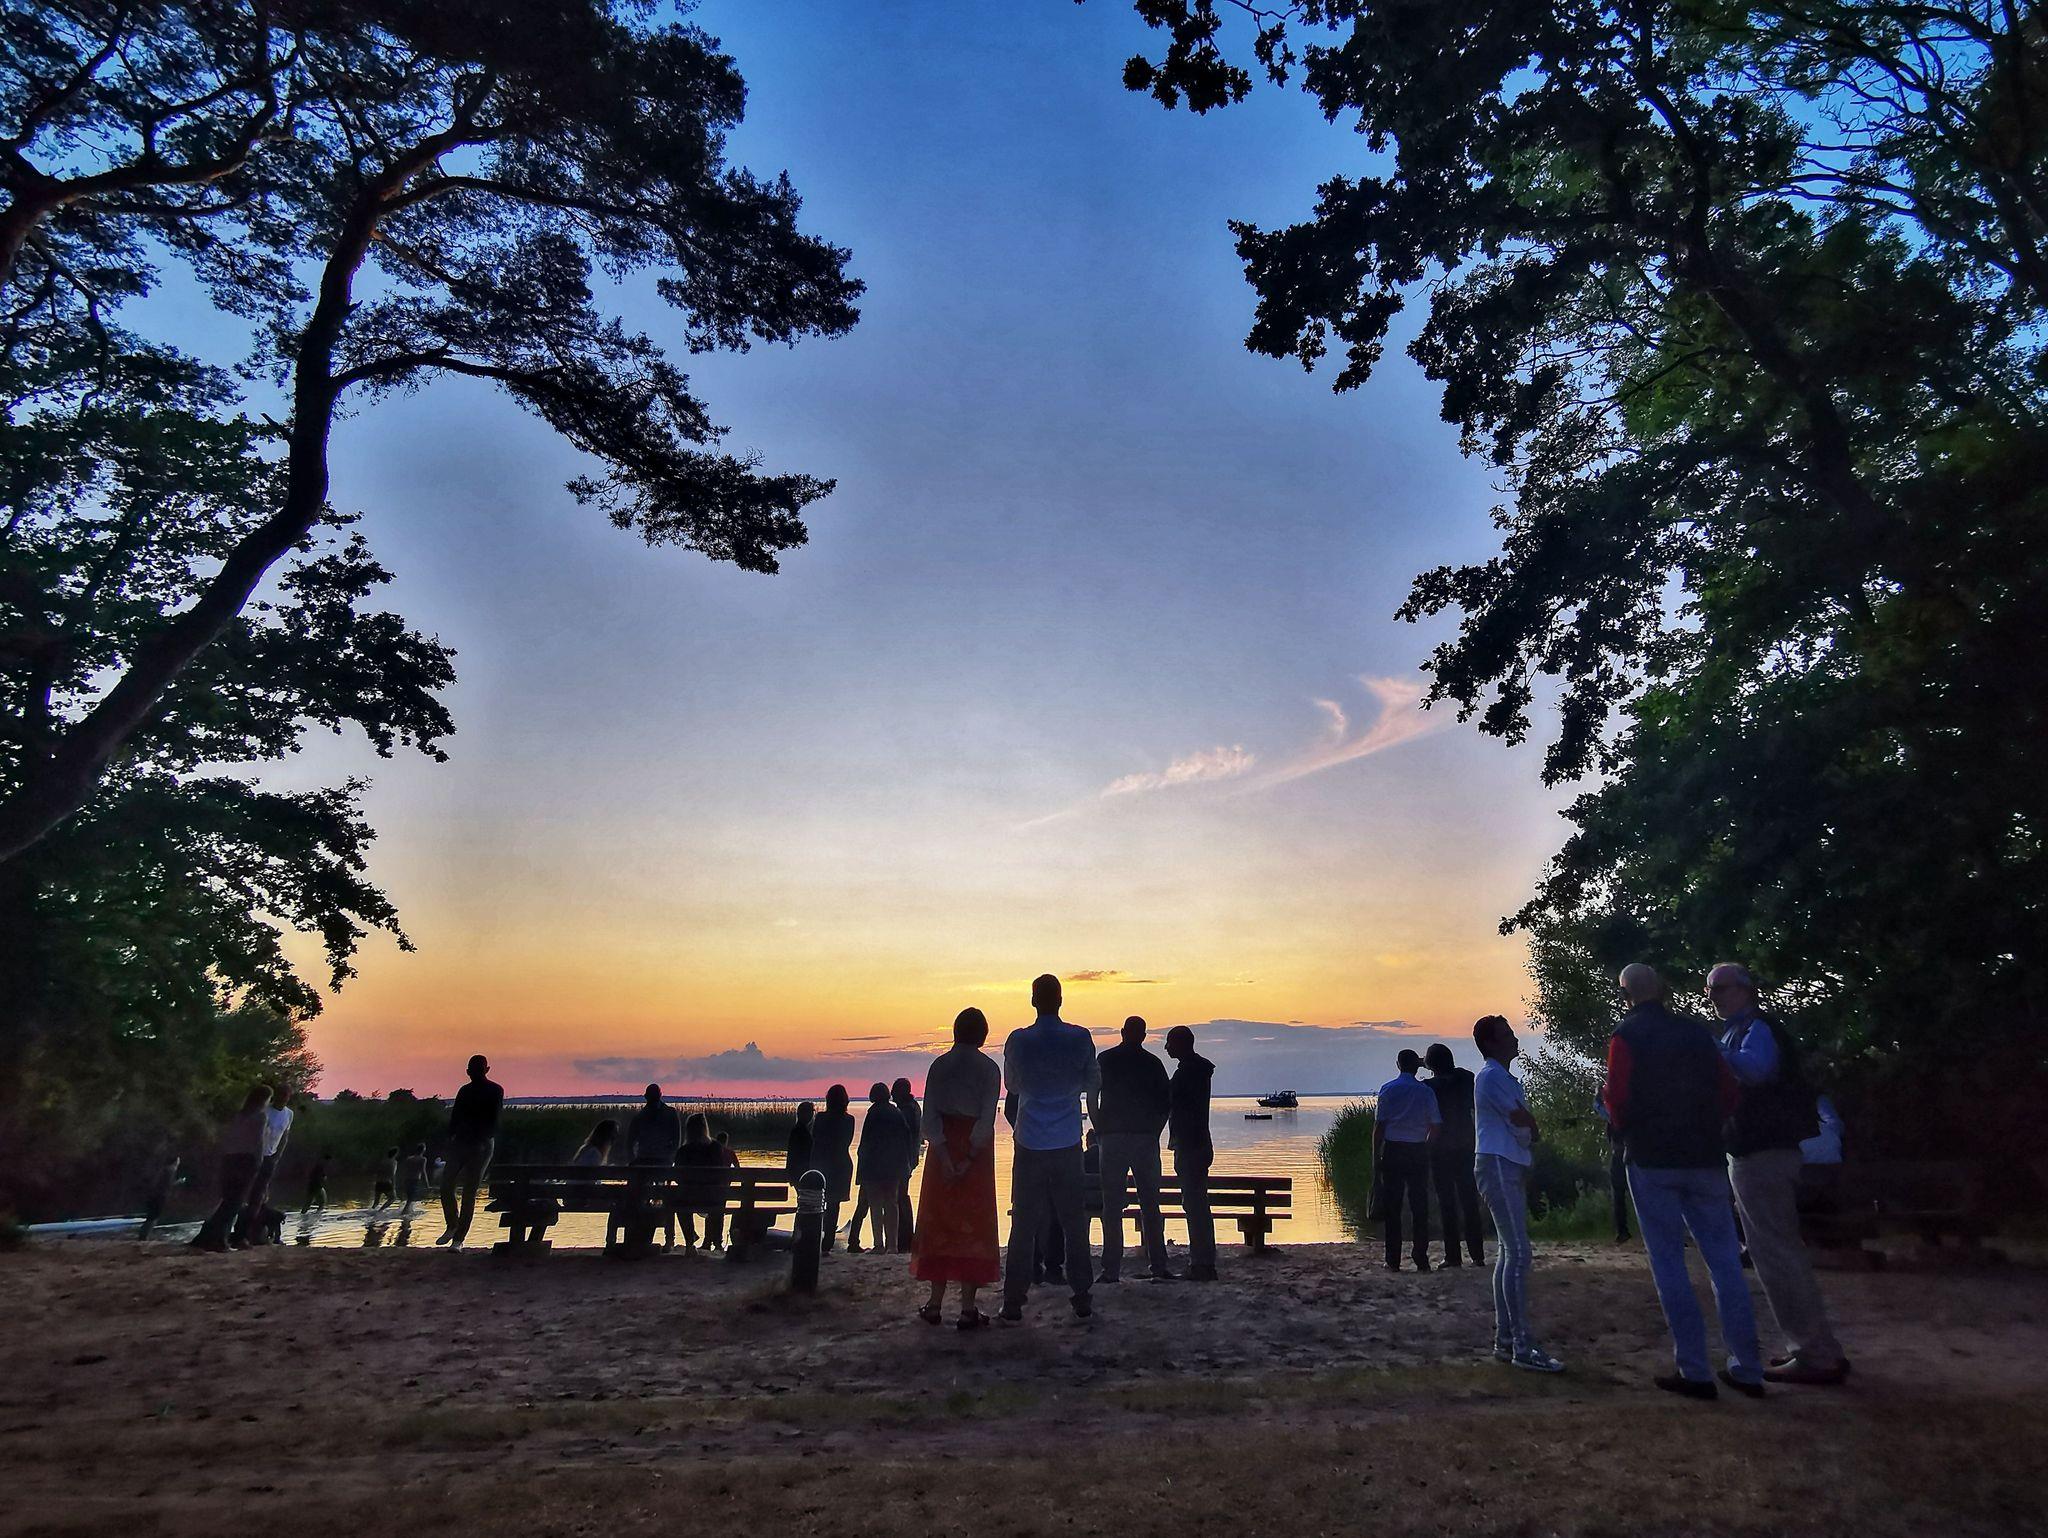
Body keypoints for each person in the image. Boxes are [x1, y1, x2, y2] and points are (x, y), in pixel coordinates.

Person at [1604, 963, 1765, 1400]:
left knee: (1669, 1263)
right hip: (1704, 1157)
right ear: (1663, 990)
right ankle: (1747, 1367)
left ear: (1626, 996)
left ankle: (1694, 1369)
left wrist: (1628, 1131)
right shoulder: (1697, 1033)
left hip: (1651, 1159)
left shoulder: (1625, 1036)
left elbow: (1617, 1098)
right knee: (1725, 1261)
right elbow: (1728, 1089)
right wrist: (1710, 1126)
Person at [1709, 962, 1851, 1386]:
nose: (1713, 997)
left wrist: (1714, 1051)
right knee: (1775, 1249)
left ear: (1746, 989)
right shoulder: (1743, 1030)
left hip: (1763, 1153)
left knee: (1775, 1252)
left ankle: (1815, 1354)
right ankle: (1814, 1348)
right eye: (1710, 990)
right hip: (1759, 1152)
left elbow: (1756, 1071)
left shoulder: (1757, 1029)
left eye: (1721, 988)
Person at [1000, 974, 1101, 1320]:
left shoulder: (1018, 1040)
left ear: (1033, 1001)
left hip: (1030, 1141)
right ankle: (1082, 1294)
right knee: (1074, 1222)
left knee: (1023, 1224)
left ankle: (1013, 1300)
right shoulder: (1080, 1037)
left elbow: (1013, 1086)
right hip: (1068, 1141)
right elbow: (1092, 1081)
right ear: (1060, 1000)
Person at [1471, 1015, 1566, 1372]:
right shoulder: (1491, 1077)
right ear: (1491, 1043)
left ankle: (1507, 1339)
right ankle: (1522, 1346)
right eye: (1507, 1035)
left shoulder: (1502, 1077)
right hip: (1498, 1162)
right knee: (1519, 1253)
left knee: (1510, 1252)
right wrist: (1531, 1128)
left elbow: (1522, 1120)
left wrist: (1528, 1126)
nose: (1514, 1039)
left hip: (1506, 1161)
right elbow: (1519, 1120)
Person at [912, 1007, 1003, 1328]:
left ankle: (935, 1304)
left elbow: (930, 1116)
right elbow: (986, 1118)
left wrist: (944, 1154)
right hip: (974, 1152)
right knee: (973, 1226)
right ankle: (967, 1308)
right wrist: (969, 1157)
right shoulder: (989, 1069)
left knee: (939, 1223)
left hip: (943, 1149)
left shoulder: (939, 1065)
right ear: (983, 1034)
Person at [1092, 1015, 1176, 1282]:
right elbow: (1166, 1103)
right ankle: (1158, 1264)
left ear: (1122, 1032)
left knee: (1112, 1206)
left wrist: (1099, 1126)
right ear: (1143, 1035)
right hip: (1143, 1138)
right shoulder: (1153, 1063)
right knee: (1150, 1203)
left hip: (1114, 1138)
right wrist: (1155, 1131)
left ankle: (1111, 1269)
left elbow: (1092, 1095)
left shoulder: (1106, 1059)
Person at [1372, 1048, 1441, 1271]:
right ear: (1416, 1067)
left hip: (1393, 1150)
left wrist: (1376, 1155)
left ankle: (1392, 1259)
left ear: (1398, 1065)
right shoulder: (1425, 1092)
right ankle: (1420, 1256)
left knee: (1393, 1207)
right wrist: (1426, 1147)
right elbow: (1436, 1125)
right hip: (1417, 1149)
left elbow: (1380, 1127)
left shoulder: (1388, 1089)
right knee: (1419, 1206)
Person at [1423, 1043, 1485, 1268]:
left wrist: (1421, 1064)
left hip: (1440, 1149)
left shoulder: (1429, 1087)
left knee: (1446, 1202)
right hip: (1466, 1145)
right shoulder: (1466, 1079)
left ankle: (1453, 1256)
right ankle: (1477, 1254)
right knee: (1469, 1200)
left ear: (1431, 1064)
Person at [1164, 1025, 1217, 1281]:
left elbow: (1167, 1098)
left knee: (1194, 1205)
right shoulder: (1195, 1071)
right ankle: (1202, 1261)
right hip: (1198, 1143)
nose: (1166, 1048)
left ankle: (1202, 1264)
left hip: (1190, 1144)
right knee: (1197, 1203)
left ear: (1182, 1044)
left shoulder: (1187, 1073)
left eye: (1170, 1043)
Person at [192, 1085, 270, 1251]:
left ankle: (209, 1236)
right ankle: (219, 1239)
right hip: (246, 1159)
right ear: (264, 1100)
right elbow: (258, 1141)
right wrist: (259, 1160)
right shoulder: (260, 1116)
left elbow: (228, 1137)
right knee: (235, 1202)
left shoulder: (239, 1115)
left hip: (229, 1158)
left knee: (228, 1200)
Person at [438, 1053, 503, 1249]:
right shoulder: (464, 1091)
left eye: (479, 1070)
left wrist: (482, 1139)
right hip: (462, 1142)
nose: (475, 1073)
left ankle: (459, 1239)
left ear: (486, 1070)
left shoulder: (495, 1090)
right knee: (446, 1185)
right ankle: (452, 1225)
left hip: (482, 1144)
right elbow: (455, 1117)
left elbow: (494, 1119)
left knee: (469, 1192)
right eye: (473, 1071)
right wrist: (450, 1138)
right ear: (468, 1072)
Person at [851, 1082, 909, 1253]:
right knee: (892, 1204)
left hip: (874, 1168)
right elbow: (906, 1138)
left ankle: (879, 1244)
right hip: (894, 1167)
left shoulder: (873, 1113)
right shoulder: (897, 1113)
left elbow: (866, 1143)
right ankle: (893, 1245)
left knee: (876, 1206)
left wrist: (861, 1171)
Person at [237, 1087, 294, 1244]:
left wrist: (277, 1155)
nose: (283, 1098)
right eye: (281, 1094)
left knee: (260, 1194)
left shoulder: (289, 1114)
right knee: (245, 1192)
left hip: (270, 1157)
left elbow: (285, 1136)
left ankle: (251, 1232)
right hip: (253, 1155)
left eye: (286, 1095)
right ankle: (241, 1231)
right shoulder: (265, 1111)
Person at [674, 1113, 728, 1250]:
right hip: (712, 1197)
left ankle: (689, 1242)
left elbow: (677, 1177)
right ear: (705, 1128)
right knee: (719, 1200)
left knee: (678, 1203)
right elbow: (721, 1174)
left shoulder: (683, 1151)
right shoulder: (715, 1147)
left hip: (688, 1198)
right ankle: (716, 1242)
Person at [813, 1085, 856, 1252]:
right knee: (834, 1204)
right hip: (841, 1163)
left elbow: (816, 1140)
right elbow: (846, 1142)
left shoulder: (821, 1118)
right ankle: (828, 1239)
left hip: (823, 1162)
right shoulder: (849, 1120)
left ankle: (818, 1235)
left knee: (819, 1202)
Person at [890, 1078, 921, 1251]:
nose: (892, 1095)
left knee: (900, 1197)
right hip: (908, 1158)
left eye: (894, 1091)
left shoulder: (906, 1110)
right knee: (902, 1196)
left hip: (903, 1159)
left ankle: (904, 1239)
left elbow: (901, 1136)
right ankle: (906, 1238)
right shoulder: (913, 1107)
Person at [708, 1130, 741, 1250]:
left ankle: (708, 1241)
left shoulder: (710, 1152)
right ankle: (718, 1242)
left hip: (710, 1187)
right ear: (726, 1141)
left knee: (711, 1213)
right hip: (724, 1188)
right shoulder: (730, 1152)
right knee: (719, 1213)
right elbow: (738, 1168)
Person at [139, 1152, 180, 1240]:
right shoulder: (170, 1171)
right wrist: (178, 1182)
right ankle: (144, 1237)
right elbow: (168, 1184)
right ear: (175, 1162)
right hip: (160, 1196)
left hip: (154, 1195)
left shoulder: (163, 1170)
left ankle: (143, 1236)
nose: (178, 1163)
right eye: (178, 1161)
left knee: (150, 1216)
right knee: (154, 1217)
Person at [786, 1100, 817, 1181]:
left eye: (811, 1112)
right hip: (800, 1172)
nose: (811, 1115)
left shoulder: (799, 1130)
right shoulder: (800, 1131)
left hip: (797, 1172)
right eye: (809, 1112)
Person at [399, 1143, 427, 1210]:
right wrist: (426, 1183)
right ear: (423, 1150)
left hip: (407, 1179)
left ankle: (408, 1211)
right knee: (410, 1199)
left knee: (409, 1198)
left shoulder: (409, 1158)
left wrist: (402, 1180)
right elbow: (423, 1171)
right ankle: (404, 1213)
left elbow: (405, 1170)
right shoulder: (423, 1159)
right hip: (415, 1180)